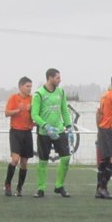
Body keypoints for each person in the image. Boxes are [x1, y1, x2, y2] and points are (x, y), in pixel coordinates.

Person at [31, 68, 73, 197]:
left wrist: (69, 126)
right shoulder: (39, 94)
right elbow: (34, 115)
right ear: (50, 78)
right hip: (45, 133)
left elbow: (64, 110)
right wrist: (46, 126)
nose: (59, 80)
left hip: (59, 131)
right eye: (57, 78)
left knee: (66, 158)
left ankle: (59, 186)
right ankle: (41, 188)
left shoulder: (61, 92)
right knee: (43, 160)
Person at [4, 76, 35, 197]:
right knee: (15, 160)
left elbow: (36, 114)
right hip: (16, 132)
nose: (29, 89)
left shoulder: (32, 99)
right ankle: (7, 184)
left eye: (30, 86)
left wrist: (31, 110)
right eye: (27, 86)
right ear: (20, 86)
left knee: (24, 162)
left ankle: (19, 188)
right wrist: (18, 110)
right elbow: (6, 113)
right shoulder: (13, 98)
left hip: (27, 132)